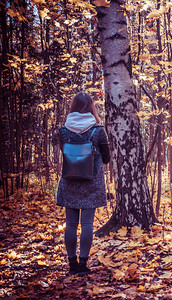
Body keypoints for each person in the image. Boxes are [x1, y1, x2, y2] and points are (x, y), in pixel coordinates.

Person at [56, 92, 110, 276]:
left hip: (69, 181)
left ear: (73, 107)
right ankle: (83, 265)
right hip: (91, 183)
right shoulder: (98, 130)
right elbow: (107, 158)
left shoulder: (63, 130)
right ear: (91, 107)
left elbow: (64, 151)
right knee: (87, 224)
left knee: (70, 224)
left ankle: (71, 264)